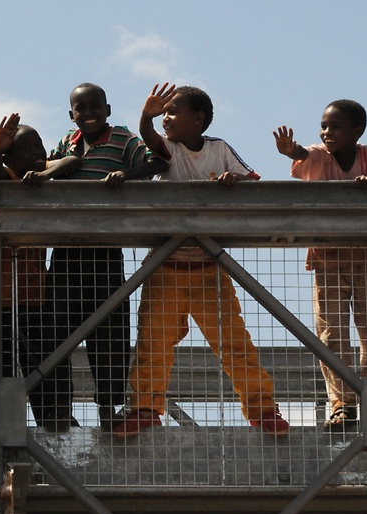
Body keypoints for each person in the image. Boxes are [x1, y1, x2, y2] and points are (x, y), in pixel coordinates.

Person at [113, 84, 289, 437]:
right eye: (164, 113)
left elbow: (250, 179)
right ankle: (145, 407)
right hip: (165, 266)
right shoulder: (168, 150)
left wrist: (232, 180)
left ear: (199, 119)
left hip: (209, 268)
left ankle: (263, 409)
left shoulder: (218, 149)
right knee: (153, 342)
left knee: (234, 343)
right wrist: (146, 116)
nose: (166, 118)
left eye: (173, 111)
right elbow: (150, 137)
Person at [274, 99, 367, 430]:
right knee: (331, 333)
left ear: (357, 131)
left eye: (335, 127)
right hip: (328, 258)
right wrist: (290, 150)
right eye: (323, 126)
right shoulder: (319, 155)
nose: (326, 132)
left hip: (366, 258)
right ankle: (341, 403)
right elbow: (303, 156)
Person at [46, 83, 167, 429]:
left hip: (105, 250)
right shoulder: (67, 143)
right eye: (80, 108)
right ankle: (60, 410)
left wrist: (125, 174)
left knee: (110, 331)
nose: (88, 113)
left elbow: (156, 162)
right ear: (71, 115)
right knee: (58, 330)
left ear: (108, 109)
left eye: (95, 106)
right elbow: (49, 165)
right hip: (67, 250)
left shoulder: (123, 139)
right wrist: (53, 167)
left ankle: (108, 408)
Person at [0, 118, 81, 431]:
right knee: (7, 370)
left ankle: (58, 422)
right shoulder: (4, 177)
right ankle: (6, 432)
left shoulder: (40, 176)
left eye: (39, 145)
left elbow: (72, 159)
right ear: (9, 158)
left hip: (36, 300)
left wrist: (43, 173)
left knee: (49, 365)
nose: (36, 152)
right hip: (3, 304)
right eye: (26, 149)